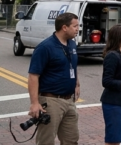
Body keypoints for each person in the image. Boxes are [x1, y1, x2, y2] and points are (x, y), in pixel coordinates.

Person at [27, 12, 81, 145]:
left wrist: (76, 84)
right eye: (75, 26)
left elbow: (72, 65)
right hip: (51, 101)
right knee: (46, 141)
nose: (78, 29)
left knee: (71, 140)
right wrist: (34, 103)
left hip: (69, 100)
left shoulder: (72, 44)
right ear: (64, 27)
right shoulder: (45, 47)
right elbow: (33, 76)